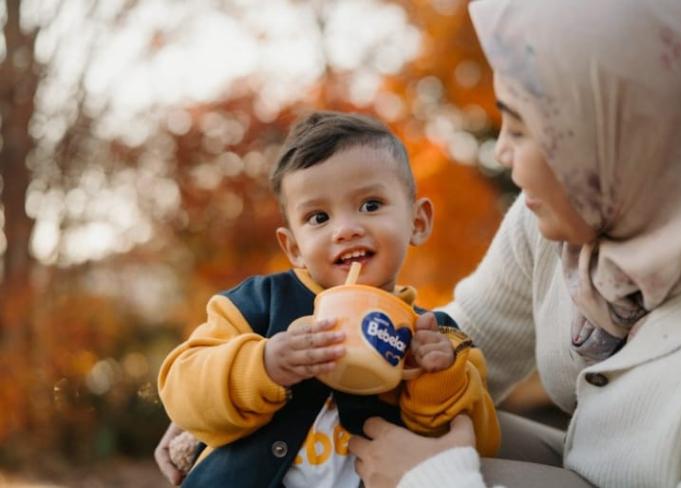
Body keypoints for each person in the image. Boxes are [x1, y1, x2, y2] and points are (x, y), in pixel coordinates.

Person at [348, 0, 681, 486]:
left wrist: (434, 479)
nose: (502, 149)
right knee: (379, 422)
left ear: (618, 146)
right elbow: (467, 341)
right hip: (581, 465)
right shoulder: (564, 226)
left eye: (521, 127)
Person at [157, 111, 501, 487]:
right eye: (319, 217)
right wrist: (263, 365)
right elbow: (180, 388)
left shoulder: (440, 339)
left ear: (417, 222)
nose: (346, 229)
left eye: (370, 205)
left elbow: (476, 448)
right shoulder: (256, 305)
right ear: (293, 248)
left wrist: (437, 379)